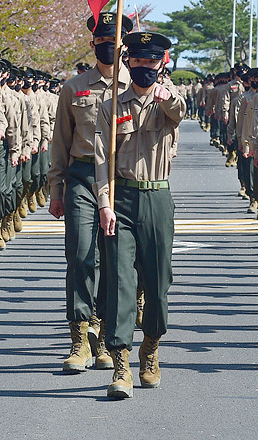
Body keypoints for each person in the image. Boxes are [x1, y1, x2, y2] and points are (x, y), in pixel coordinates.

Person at [95, 30, 186, 399]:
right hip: (122, 198)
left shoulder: (169, 100)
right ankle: (120, 363)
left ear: (161, 62)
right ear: (127, 61)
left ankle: (150, 349)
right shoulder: (111, 105)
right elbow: (101, 158)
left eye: (152, 60)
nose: (144, 67)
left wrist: (166, 96)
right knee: (119, 283)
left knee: (158, 283)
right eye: (138, 60)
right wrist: (103, 202)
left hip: (157, 198)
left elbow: (179, 112)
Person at [49, 11, 133, 373]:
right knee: (82, 255)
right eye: (101, 41)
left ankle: (106, 333)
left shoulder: (138, 86)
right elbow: (60, 142)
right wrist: (55, 188)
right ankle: (79, 336)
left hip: (123, 178)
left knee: (115, 261)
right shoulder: (74, 87)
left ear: (124, 44)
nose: (107, 47)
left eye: (113, 42)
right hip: (83, 176)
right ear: (92, 43)